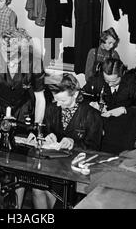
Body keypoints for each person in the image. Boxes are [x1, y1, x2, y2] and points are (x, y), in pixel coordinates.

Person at [0, 28, 46, 208]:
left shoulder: (35, 62)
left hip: (23, 112)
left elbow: (40, 98)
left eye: (14, 59)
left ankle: (15, 207)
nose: (10, 63)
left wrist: (37, 128)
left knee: (19, 167)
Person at [32, 73, 103, 209]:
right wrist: (47, 136)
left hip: (74, 169)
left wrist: (73, 143)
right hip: (52, 164)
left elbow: (94, 149)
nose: (58, 104)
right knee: (37, 189)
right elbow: (44, 132)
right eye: (55, 99)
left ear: (75, 94)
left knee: (51, 192)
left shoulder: (91, 115)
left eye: (63, 100)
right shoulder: (52, 109)